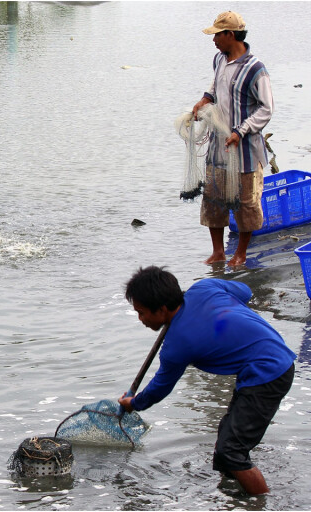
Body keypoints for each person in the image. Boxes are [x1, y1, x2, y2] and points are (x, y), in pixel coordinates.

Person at [119, 266, 295, 495]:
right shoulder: (204, 287)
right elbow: (244, 291)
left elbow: (160, 388)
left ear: (162, 309)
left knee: (231, 451)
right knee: (226, 439)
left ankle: (262, 502)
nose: (141, 319)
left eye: (142, 313)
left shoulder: (177, 345)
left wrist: (133, 403)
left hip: (268, 373)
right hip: (267, 361)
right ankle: (231, 495)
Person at [191, 11, 274, 268]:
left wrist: (241, 130)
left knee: (245, 203)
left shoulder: (255, 69)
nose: (214, 39)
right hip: (218, 146)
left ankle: (240, 253)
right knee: (214, 199)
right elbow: (217, 86)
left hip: (245, 149)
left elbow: (266, 109)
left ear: (230, 35)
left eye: (217, 34)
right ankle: (218, 252)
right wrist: (205, 99)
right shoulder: (219, 59)